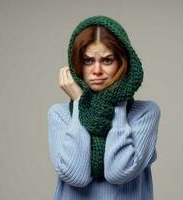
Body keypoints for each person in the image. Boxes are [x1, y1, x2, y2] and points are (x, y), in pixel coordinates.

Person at [47, 15, 161, 200]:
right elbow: (76, 175)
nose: (97, 70)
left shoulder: (145, 113)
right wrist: (79, 102)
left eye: (107, 60)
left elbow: (118, 171)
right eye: (88, 61)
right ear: (77, 64)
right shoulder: (60, 115)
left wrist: (116, 100)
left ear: (123, 63)